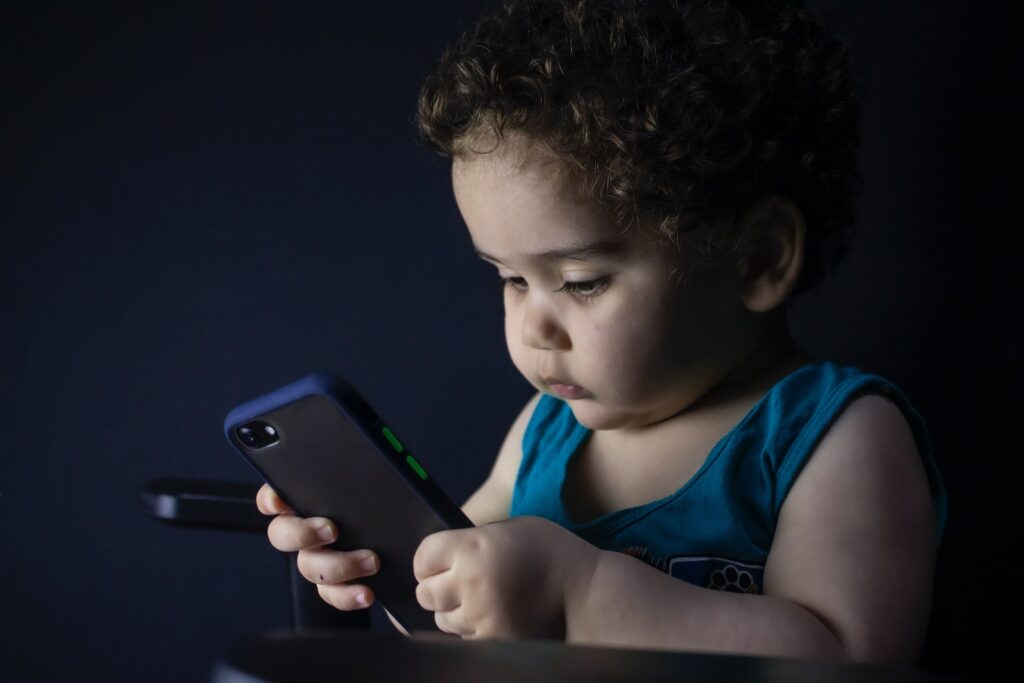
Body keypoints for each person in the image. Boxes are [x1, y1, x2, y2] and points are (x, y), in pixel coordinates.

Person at [257, 0, 946, 664]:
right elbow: (456, 620)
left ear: (757, 256)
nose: (535, 326)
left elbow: (850, 662)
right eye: (511, 279)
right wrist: (382, 560)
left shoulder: (834, 437)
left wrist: (582, 596)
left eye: (582, 281)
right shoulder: (543, 431)